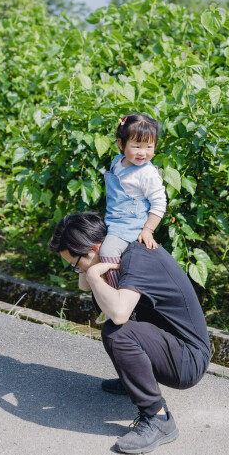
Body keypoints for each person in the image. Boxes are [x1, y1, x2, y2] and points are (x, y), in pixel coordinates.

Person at [49, 212, 211, 455]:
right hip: (171, 345)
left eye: (75, 265)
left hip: (188, 361)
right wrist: (90, 273)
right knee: (102, 296)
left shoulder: (137, 257)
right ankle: (135, 380)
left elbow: (120, 314)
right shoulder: (121, 249)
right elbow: (86, 285)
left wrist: (92, 273)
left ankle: (158, 419)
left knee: (117, 332)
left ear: (94, 248)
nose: (76, 271)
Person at [96, 112, 167, 324]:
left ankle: (117, 298)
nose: (142, 153)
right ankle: (104, 292)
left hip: (131, 225)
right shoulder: (118, 163)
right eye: (136, 146)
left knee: (108, 251)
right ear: (121, 143)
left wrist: (148, 230)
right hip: (115, 221)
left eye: (149, 147)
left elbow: (159, 203)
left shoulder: (147, 174)